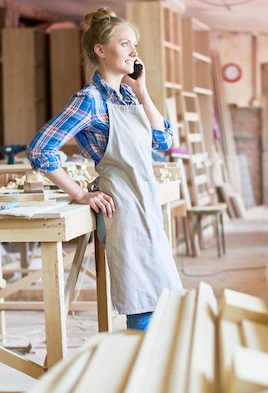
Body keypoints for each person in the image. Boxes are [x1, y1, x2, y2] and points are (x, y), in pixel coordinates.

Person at [27, 6, 183, 331]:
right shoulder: (89, 100)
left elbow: (163, 141)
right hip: (123, 208)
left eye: (134, 45)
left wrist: (142, 91)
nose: (134, 52)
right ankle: (140, 375)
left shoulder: (129, 96)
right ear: (101, 50)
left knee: (164, 301)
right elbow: (41, 149)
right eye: (125, 43)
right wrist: (80, 193)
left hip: (147, 204)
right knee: (142, 303)